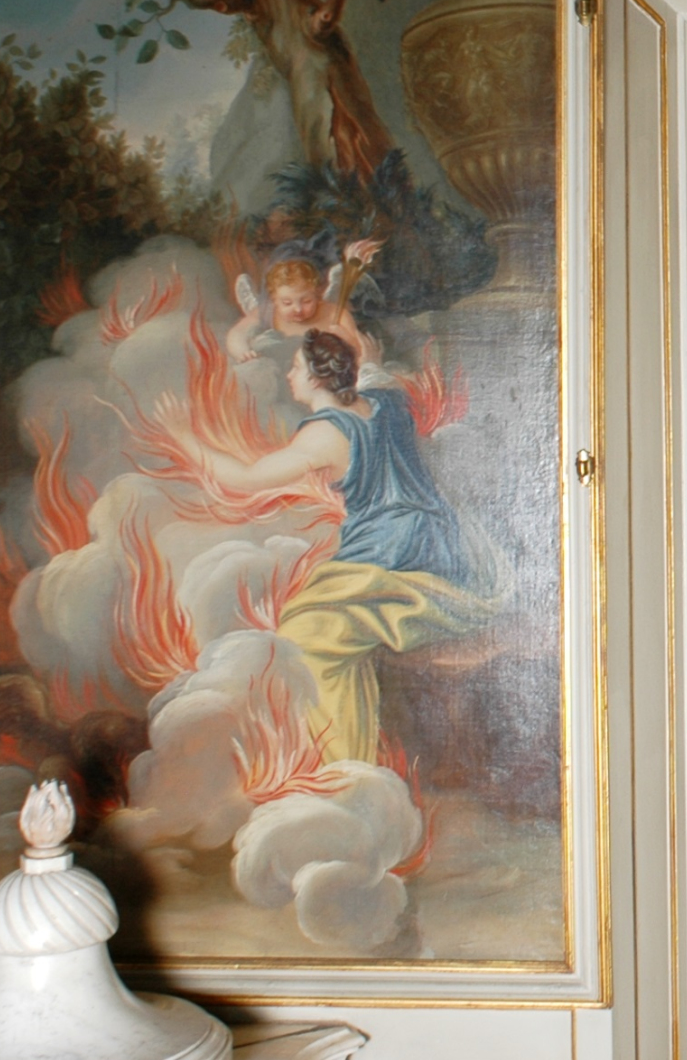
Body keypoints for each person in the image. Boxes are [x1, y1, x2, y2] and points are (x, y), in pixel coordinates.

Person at [181, 332, 492, 762]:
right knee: (308, 614)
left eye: (295, 367)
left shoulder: (325, 434)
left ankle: (343, 766)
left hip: (388, 554)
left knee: (305, 639)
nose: (288, 374)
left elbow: (248, 478)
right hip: (439, 542)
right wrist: (370, 360)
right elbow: (376, 376)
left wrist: (185, 440)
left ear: (316, 378)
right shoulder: (387, 401)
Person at [228, 236, 383, 367]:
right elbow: (237, 333)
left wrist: (346, 339)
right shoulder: (268, 311)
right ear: (274, 299)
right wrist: (243, 352)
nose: (298, 309)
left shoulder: (335, 314)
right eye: (287, 303)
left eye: (307, 301)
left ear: (317, 295)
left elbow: (363, 353)